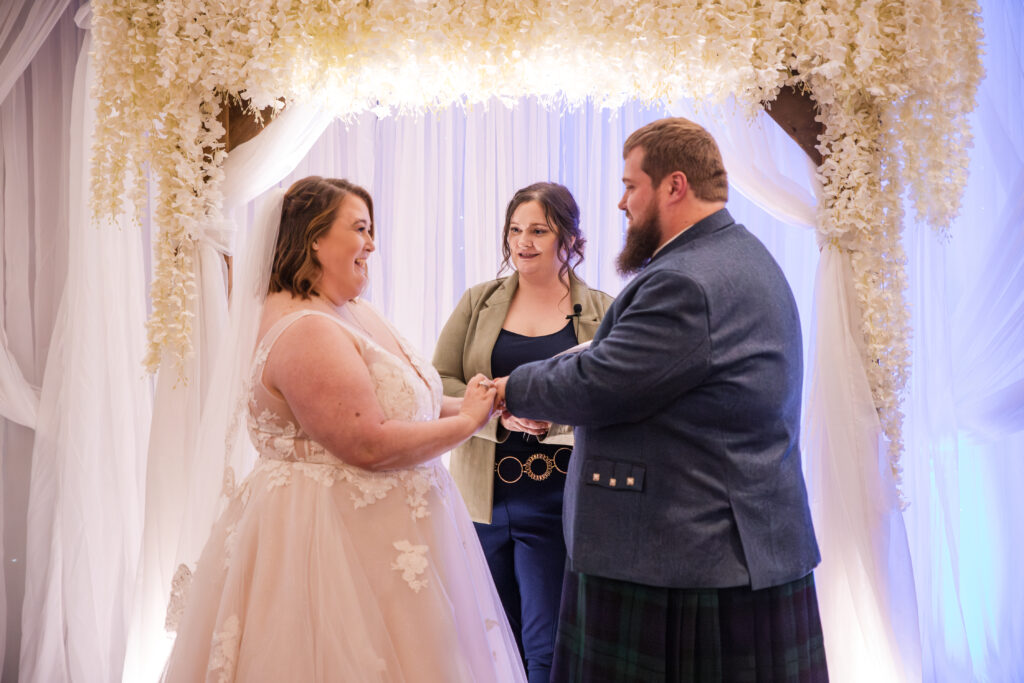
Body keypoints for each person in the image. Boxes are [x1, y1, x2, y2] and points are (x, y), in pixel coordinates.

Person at [493, 118, 828, 682]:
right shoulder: (739, 256)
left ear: (674, 186)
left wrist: (511, 388)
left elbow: (604, 378)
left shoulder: (686, 281)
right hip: (728, 541)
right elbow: (614, 357)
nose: (622, 203)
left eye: (630, 186)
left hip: (687, 551)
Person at [163, 176, 526, 682]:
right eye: (360, 228)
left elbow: (408, 404)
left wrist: (481, 403)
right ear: (315, 238)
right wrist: (467, 423)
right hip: (329, 540)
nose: (372, 244)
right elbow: (367, 443)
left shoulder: (349, 310)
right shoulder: (306, 329)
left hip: (391, 538)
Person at [432, 182, 612, 683]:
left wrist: (549, 415)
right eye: (515, 230)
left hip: (557, 499)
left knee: (546, 647)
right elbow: (438, 380)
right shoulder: (478, 302)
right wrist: (495, 409)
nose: (522, 242)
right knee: (486, 640)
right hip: (481, 499)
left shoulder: (604, 310)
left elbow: (613, 392)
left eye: (538, 230)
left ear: (569, 239)